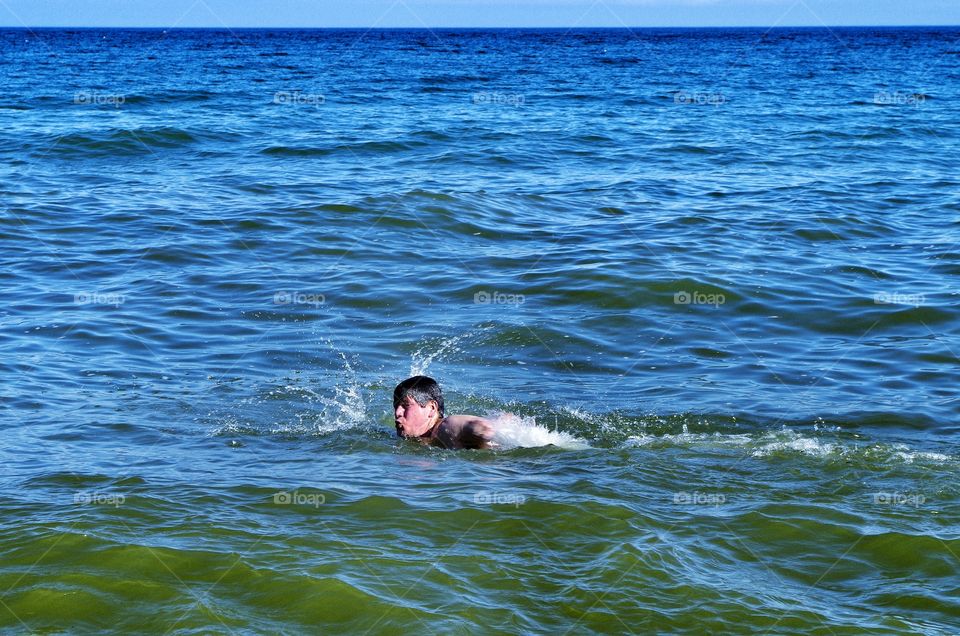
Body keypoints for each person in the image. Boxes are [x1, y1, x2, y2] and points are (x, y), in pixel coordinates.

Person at [393, 375, 495, 449]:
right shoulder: (418, 437)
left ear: (432, 408)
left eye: (406, 405)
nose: (398, 412)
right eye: (396, 406)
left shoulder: (445, 428)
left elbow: (484, 428)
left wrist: (483, 432)